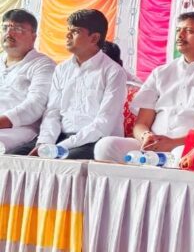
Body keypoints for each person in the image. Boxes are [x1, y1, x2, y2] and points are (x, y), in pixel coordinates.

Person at [94, 12, 194, 162]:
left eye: (188, 31)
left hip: (188, 147)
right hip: (153, 145)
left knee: (180, 154)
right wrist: (146, 136)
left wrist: (173, 143)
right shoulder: (161, 73)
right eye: (178, 30)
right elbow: (142, 123)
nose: (180, 36)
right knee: (105, 146)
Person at [9, 9, 127, 159]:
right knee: (13, 157)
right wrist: (44, 143)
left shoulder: (113, 72)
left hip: (95, 141)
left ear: (94, 38)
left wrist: (60, 147)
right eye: (68, 30)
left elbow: (104, 123)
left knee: (60, 163)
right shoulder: (61, 69)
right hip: (61, 137)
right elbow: (53, 112)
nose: (68, 35)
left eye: (75, 31)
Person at [0, 9, 55, 151]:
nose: (9, 33)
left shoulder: (43, 64)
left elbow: (35, 105)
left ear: (33, 37)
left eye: (17, 29)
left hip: (18, 129)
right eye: (5, 28)